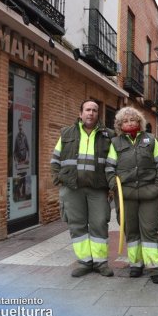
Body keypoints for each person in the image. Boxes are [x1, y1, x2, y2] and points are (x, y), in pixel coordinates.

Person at [51, 99, 115, 277]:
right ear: (80, 114)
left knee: (100, 224)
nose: (91, 113)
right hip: (72, 188)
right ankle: (85, 262)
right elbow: (55, 160)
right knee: (77, 226)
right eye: (87, 110)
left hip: (98, 189)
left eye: (94, 110)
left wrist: (112, 187)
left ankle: (101, 263)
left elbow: (113, 163)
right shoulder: (66, 133)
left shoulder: (108, 135)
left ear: (98, 114)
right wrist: (58, 180)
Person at [106, 107, 158, 284]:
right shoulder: (115, 143)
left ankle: (154, 266)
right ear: (119, 124)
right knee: (131, 230)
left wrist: (157, 184)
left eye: (133, 120)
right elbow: (109, 168)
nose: (129, 123)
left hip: (150, 193)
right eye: (125, 121)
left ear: (139, 122)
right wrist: (114, 186)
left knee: (149, 229)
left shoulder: (151, 140)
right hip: (125, 194)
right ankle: (136, 264)